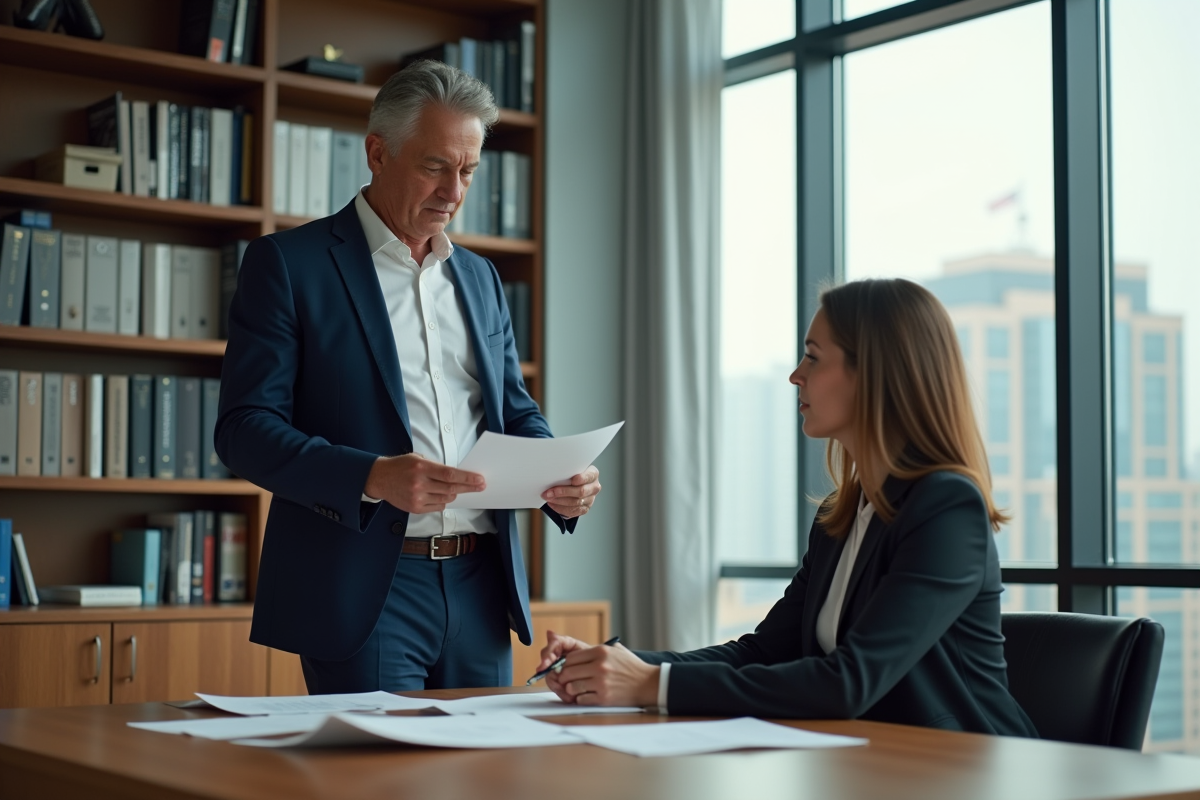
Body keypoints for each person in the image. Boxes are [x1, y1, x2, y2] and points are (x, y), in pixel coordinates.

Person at [215, 60, 601, 693]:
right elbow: (244, 430)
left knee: (480, 785)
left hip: (481, 588)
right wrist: (371, 477)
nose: (454, 191)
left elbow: (511, 408)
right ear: (377, 152)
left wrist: (557, 473)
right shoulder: (288, 265)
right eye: (435, 166)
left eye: (468, 171)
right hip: (365, 586)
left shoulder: (479, 277)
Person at [536, 278, 1036, 736]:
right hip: (871, 762)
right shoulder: (841, 514)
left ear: (875, 374)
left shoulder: (946, 509)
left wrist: (650, 685)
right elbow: (763, 652)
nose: (796, 376)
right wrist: (618, 665)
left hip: (965, 770)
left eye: (814, 357)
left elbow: (848, 682)